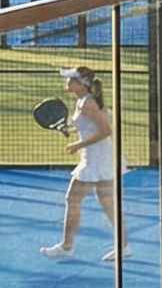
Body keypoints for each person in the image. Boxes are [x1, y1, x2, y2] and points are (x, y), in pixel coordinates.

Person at [40, 66, 120, 262]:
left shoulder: (87, 104)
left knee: (72, 199)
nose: (67, 82)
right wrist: (72, 130)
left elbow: (106, 130)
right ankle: (123, 245)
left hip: (96, 158)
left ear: (81, 85)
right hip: (99, 156)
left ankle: (67, 248)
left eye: (70, 79)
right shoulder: (83, 102)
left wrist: (78, 145)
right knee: (107, 202)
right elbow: (89, 126)